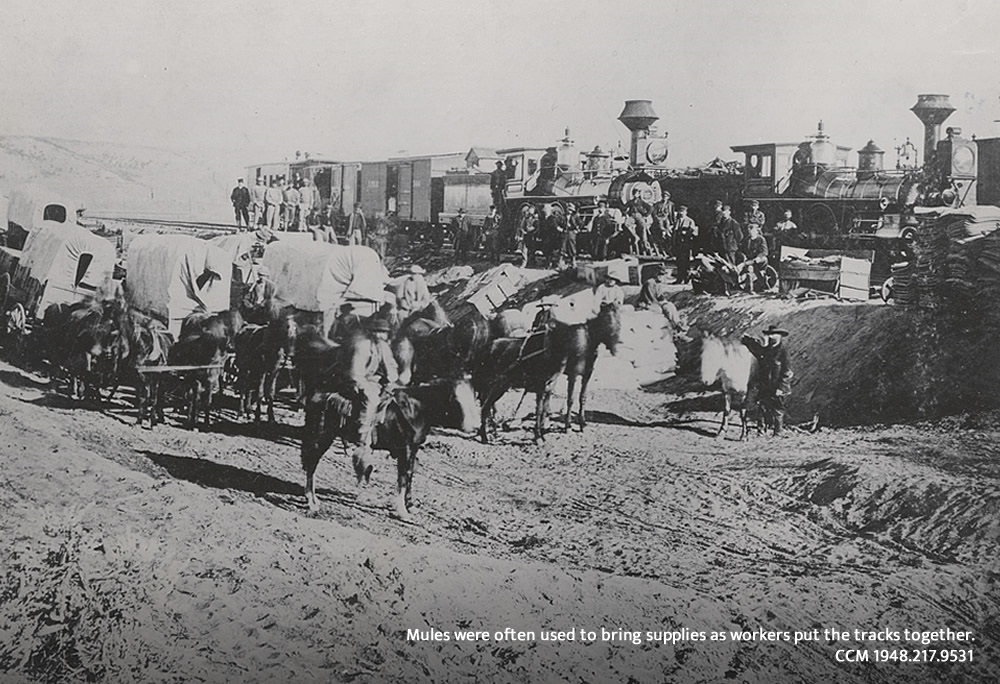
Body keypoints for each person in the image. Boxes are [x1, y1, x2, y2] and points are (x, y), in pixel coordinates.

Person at [338, 316, 400, 483]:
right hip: (362, 381)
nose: (381, 335)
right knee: (371, 400)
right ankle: (361, 439)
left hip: (379, 382)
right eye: (378, 332)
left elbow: (392, 366)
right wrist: (363, 386)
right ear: (372, 333)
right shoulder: (362, 346)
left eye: (384, 333)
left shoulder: (385, 347)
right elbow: (355, 372)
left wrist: (392, 380)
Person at [741, 324, 793, 436]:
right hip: (765, 384)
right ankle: (761, 430)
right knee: (762, 406)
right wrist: (747, 341)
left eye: (775, 335)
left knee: (777, 409)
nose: (772, 337)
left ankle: (778, 432)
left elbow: (787, 371)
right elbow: (758, 350)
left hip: (777, 386)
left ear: (780, 336)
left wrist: (781, 387)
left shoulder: (783, 351)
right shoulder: (767, 349)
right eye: (770, 335)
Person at [739, 223, 770, 292]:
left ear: (756, 231)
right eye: (749, 231)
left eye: (752, 231)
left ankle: (762, 283)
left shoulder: (761, 239)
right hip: (750, 259)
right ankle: (750, 289)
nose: (750, 232)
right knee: (749, 269)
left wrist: (759, 257)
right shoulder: (747, 240)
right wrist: (743, 256)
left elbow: (764, 251)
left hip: (760, 259)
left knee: (760, 262)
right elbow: (742, 250)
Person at [672, 205, 699, 283]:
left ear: (686, 212)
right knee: (679, 262)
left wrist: (687, 233)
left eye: (683, 212)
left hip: (686, 244)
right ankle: (679, 279)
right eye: (680, 212)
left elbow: (695, 233)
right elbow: (674, 233)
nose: (681, 213)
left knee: (686, 262)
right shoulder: (677, 221)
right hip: (678, 244)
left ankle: (686, 278)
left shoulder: (690, 221)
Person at [561, 203, 582, 267]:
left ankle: (573, 260)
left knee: (572, 246)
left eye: (571, 210)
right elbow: (559, 222)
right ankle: (561, 261)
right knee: (563, 246)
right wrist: (561, 228)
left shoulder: (575, 216)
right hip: (565, 232)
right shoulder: (563, 216)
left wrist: (577, 230)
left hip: (571, 232)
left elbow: (580, 223)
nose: (569, 211)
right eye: (568, 209)